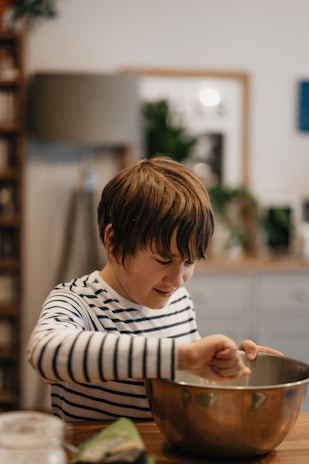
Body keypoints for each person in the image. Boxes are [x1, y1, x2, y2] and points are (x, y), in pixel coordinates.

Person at [27, 155, 280, 421]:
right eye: (163, 260)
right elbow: (44, 354)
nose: (178, 279)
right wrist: (179, 357)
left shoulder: (179, 301)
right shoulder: (76, 302)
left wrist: (223, 364)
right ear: (113, 242)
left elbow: (187, 378)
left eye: (189, 261)